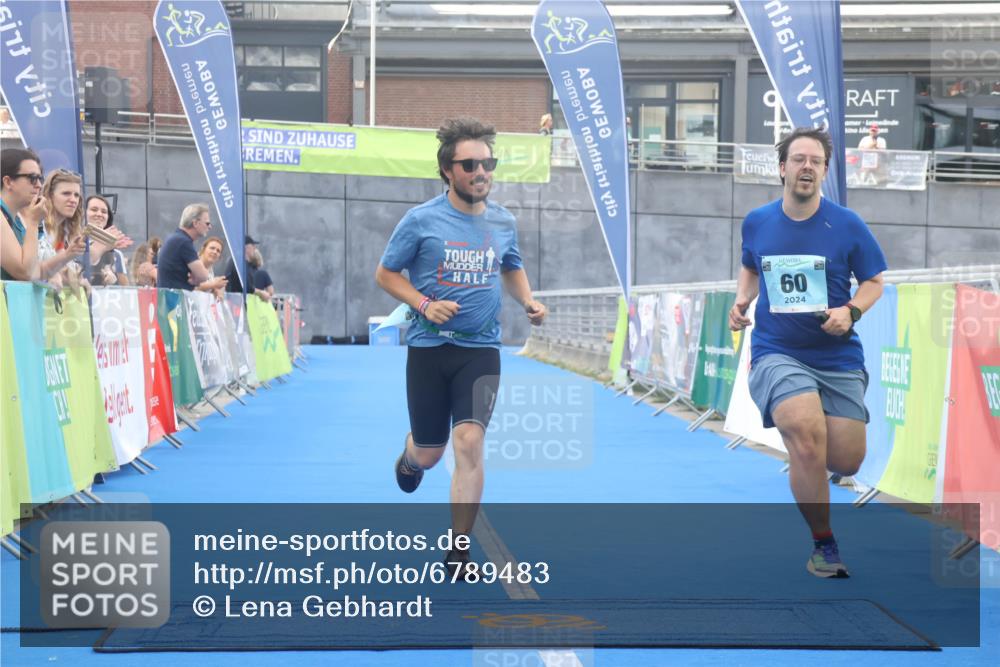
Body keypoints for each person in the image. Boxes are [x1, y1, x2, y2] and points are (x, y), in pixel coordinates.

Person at [375, 117, 547, 578]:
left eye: (487, 163)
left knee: (469, 441)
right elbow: (387, 274)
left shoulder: (503, 221)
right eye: (469, 164)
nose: (481, 171)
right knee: (431, 453)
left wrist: (527, 299)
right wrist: (424, 303)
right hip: (430, 349)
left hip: (481, 349)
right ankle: (410, 456)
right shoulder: (421, 221)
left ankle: (458, 550)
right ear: (447, 171)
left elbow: (510, 266)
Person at [729, 127, 887, 579]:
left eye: (815, 161)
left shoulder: (848, 225)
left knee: (845, 459)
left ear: (824, 171)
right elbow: (749, 265)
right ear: (782, 168)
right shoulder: (758, 221)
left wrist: (851, 311)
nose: (807, 167)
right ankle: (824, 544)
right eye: (798, 159)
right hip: (777, 350)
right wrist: (742, 302)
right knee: (803, 435)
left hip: (836, 357)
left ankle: (809, 450)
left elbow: (875, 282)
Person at [156, 203, 226, 291]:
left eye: (218, 251)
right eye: (207, 223)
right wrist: (197, 278)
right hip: (174, 300)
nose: (210, 227)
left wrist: (196, 277)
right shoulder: (183, 242)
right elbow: (203, 276)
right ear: (195, 223)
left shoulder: (177, 238)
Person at [0, 147, 46, 281]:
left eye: (40, 178)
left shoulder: (16, 221)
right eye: (32, 178)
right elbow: (25, 272)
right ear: (8, 182)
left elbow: (35, 268)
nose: (39, 185)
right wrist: (33, 222)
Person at [37, 169, 88, 289]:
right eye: (66, 193)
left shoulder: (65, 232)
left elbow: (61, 270)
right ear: (50, 195)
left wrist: (78, 280)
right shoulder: (37, 224)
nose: (73, 200)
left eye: (76, 195)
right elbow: (28, 268)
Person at [86, 195, 132, 286]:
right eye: (94, 210)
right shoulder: (73, 243)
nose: (99, 214)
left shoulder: (116, 255)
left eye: (104, 212)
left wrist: (114, 282)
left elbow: (125, 290)